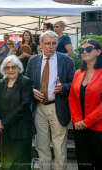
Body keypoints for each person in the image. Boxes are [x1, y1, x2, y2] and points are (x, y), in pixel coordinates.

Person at [25, 31, 75, 170]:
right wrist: (32, 90)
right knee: (42, 145)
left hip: (57, 107)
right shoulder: (33, 60)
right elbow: (26, 82)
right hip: (38, 108)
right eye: (47, 43)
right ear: (40, 45)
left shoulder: (67, 61)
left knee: (59, 146)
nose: (50, 47)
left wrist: (63, 87)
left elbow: (73, 84)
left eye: (54, 43)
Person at [0, 55, 34, 170]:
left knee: (21, 163)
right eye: (7, 67)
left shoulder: (26, 82)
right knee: (6, 162)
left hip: (21, 130)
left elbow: (23, 106)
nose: (10, 70)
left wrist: (4, 122)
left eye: (13, 67)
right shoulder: (1, 82)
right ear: (4, 70)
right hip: (4, 131)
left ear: (19, 68)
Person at [69, 39, 102, 170]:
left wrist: (87, 122)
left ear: (98, 52)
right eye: (81, 49)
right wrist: (77, 120)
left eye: (88, 49)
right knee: (83, 163)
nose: (84, 51)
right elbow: (72, 98)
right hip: (79, 128)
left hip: (98, 128)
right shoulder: (78, 73)